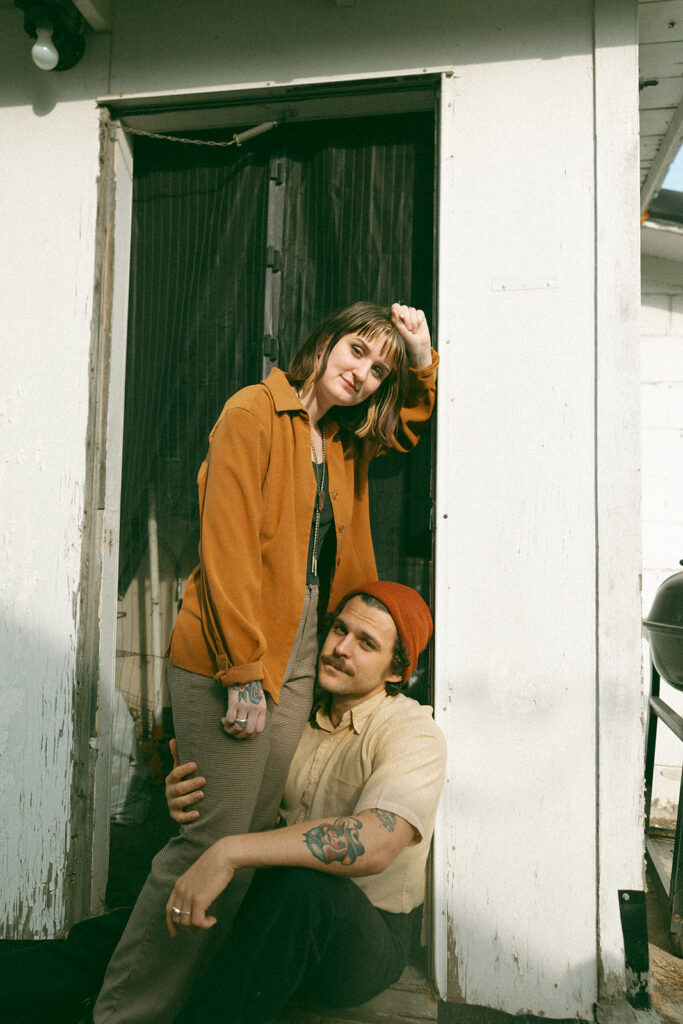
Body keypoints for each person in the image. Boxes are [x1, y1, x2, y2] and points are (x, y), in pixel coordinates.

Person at [93, 303, 438, 1023]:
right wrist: (242, 670)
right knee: (209, 837)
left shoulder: (341, 440)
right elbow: (223, 552)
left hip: (302, 657)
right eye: (355, 352)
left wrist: (420, 354)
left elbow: (407, 423)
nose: (363, 374)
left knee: (241, 840)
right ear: (324, 341)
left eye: (378, 370)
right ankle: (125, 1012)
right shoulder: (251, 412)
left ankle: (189, 998)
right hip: (234, 651)